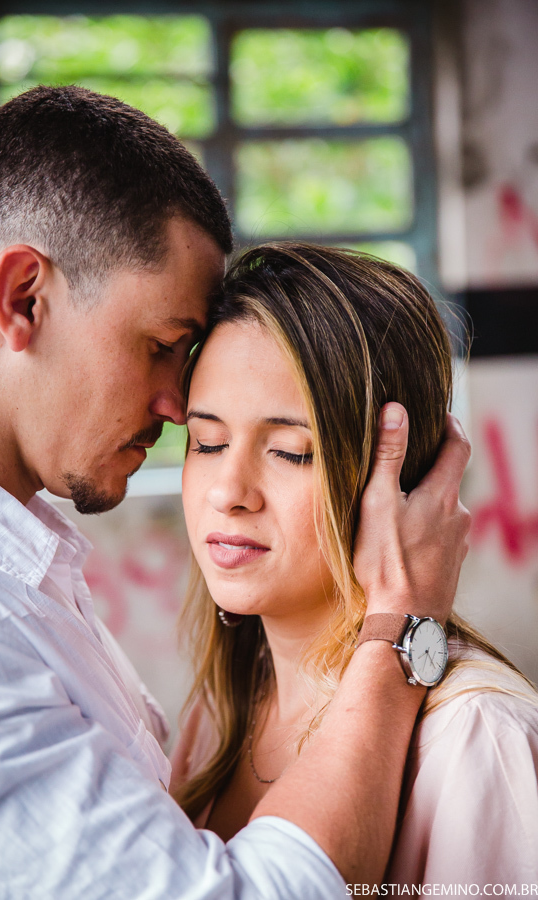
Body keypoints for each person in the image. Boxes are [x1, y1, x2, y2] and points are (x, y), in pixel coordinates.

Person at [0, 86, 471, 897]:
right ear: (24, 299)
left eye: (290, 450)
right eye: (162, 344)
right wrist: (405, 628)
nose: (176, 405)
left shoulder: (477, 735)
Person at [173, 243, 538, 884]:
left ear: (396, 478)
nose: (227, 491)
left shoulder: (477, 735)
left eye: (291, 452)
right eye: (207, 442)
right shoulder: (219, 713)